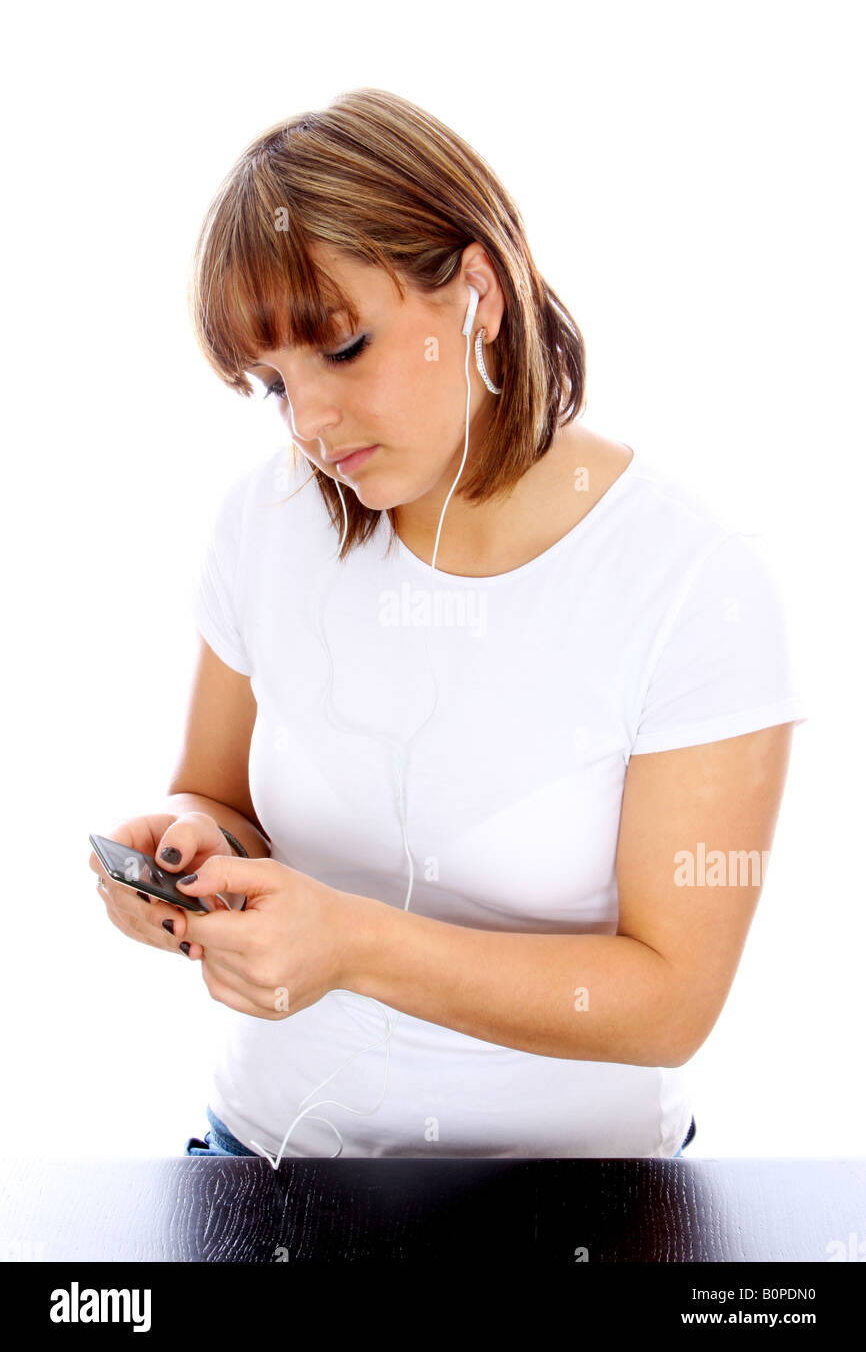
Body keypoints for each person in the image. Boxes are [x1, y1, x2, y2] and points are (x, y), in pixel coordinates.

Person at [90, 88, 806, 1162]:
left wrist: (349, 944)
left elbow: (670, 1000)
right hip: (264, 1156)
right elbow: (216, 794)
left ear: (475, 291)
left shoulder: (693, 582)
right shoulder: (264, 521)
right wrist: (191, 856)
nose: (311, 424)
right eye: (272, 386)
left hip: (578, 1201)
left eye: (339, 350)